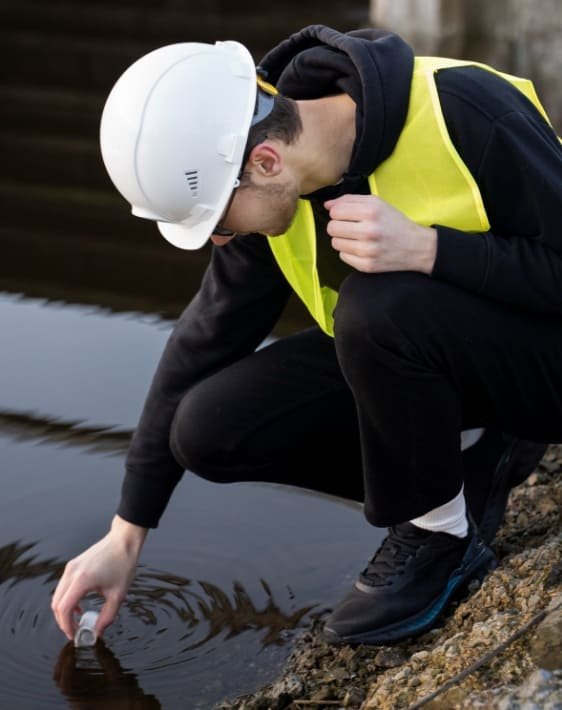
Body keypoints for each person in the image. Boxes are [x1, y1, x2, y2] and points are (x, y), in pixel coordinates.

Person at [52, 24, 561, 647]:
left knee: (377, 304)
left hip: (542, 365)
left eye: (215, 217)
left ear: (263, 162)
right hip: (429, 361)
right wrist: (126, 532)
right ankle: (466, 474)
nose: (218, 240)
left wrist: (432, 250)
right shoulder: (275, 193)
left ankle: (440, 535)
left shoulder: (467, 109)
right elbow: (202, 340)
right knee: (208, 427)